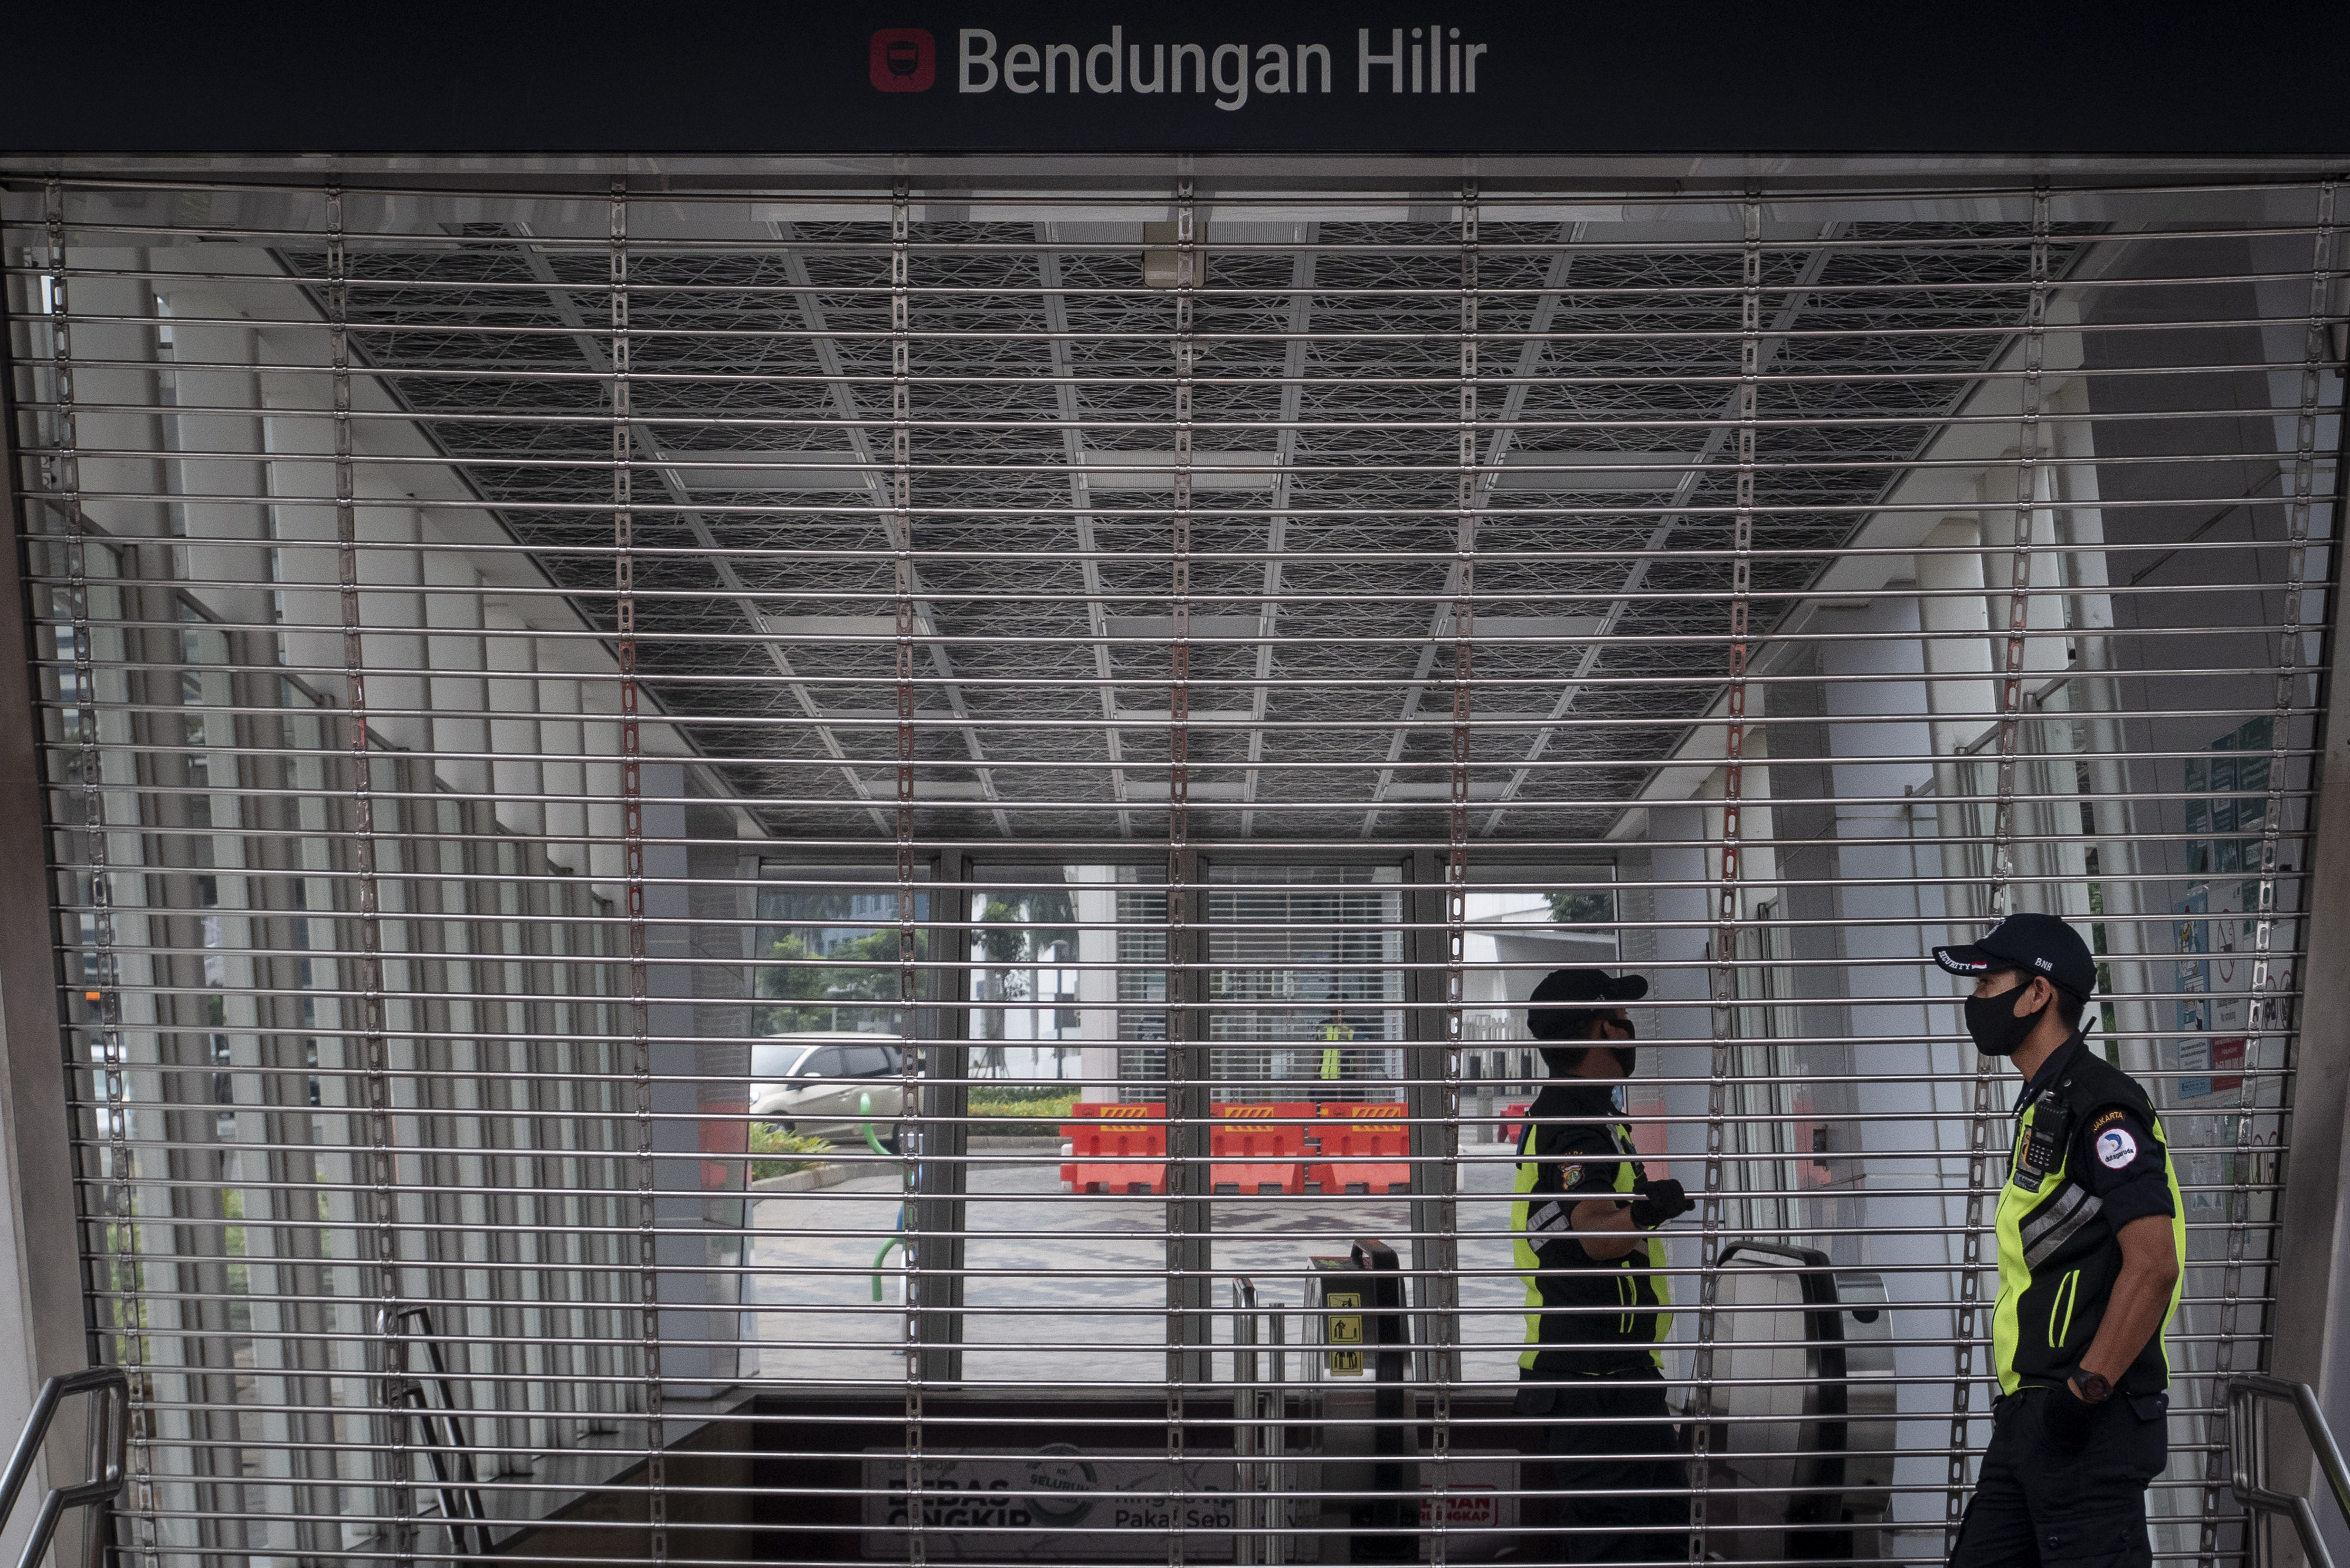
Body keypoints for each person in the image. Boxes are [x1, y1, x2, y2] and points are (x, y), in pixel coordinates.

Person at [1935, 913, 2184, 1568]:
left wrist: (2083, 1393)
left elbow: (2153, 1264)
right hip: (2031, 1418)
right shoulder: (2049, 1101)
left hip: (2086, 1425)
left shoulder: (2103, 1106)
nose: (1975, 1001)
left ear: (2038, 994)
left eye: (1988, 984)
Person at [1510, 966, 1697, 1564]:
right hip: (1591, 1382)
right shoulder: (1574, 1123)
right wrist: (1649, 1211)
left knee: (1662, 1530)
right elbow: (1592, 1234)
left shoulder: (1594, 1116)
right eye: (1618, 1017)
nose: (1628, 1028)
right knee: (1616, 1540)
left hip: (1617, 1376)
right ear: (1597, 1027)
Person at [1316, 1010, 1354, 1105]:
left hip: (1345, 1078)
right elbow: (1317, 1053)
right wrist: (1314, 1078)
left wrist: (1360, 1081)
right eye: (1333, 1013)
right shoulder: (1323, 1028)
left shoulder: (1350, 1028)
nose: (1335, 1016)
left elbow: (1360, 1053)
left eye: (1338, 1013)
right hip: (1325, 1079)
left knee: (1344, 1112)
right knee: (1323, 1111)